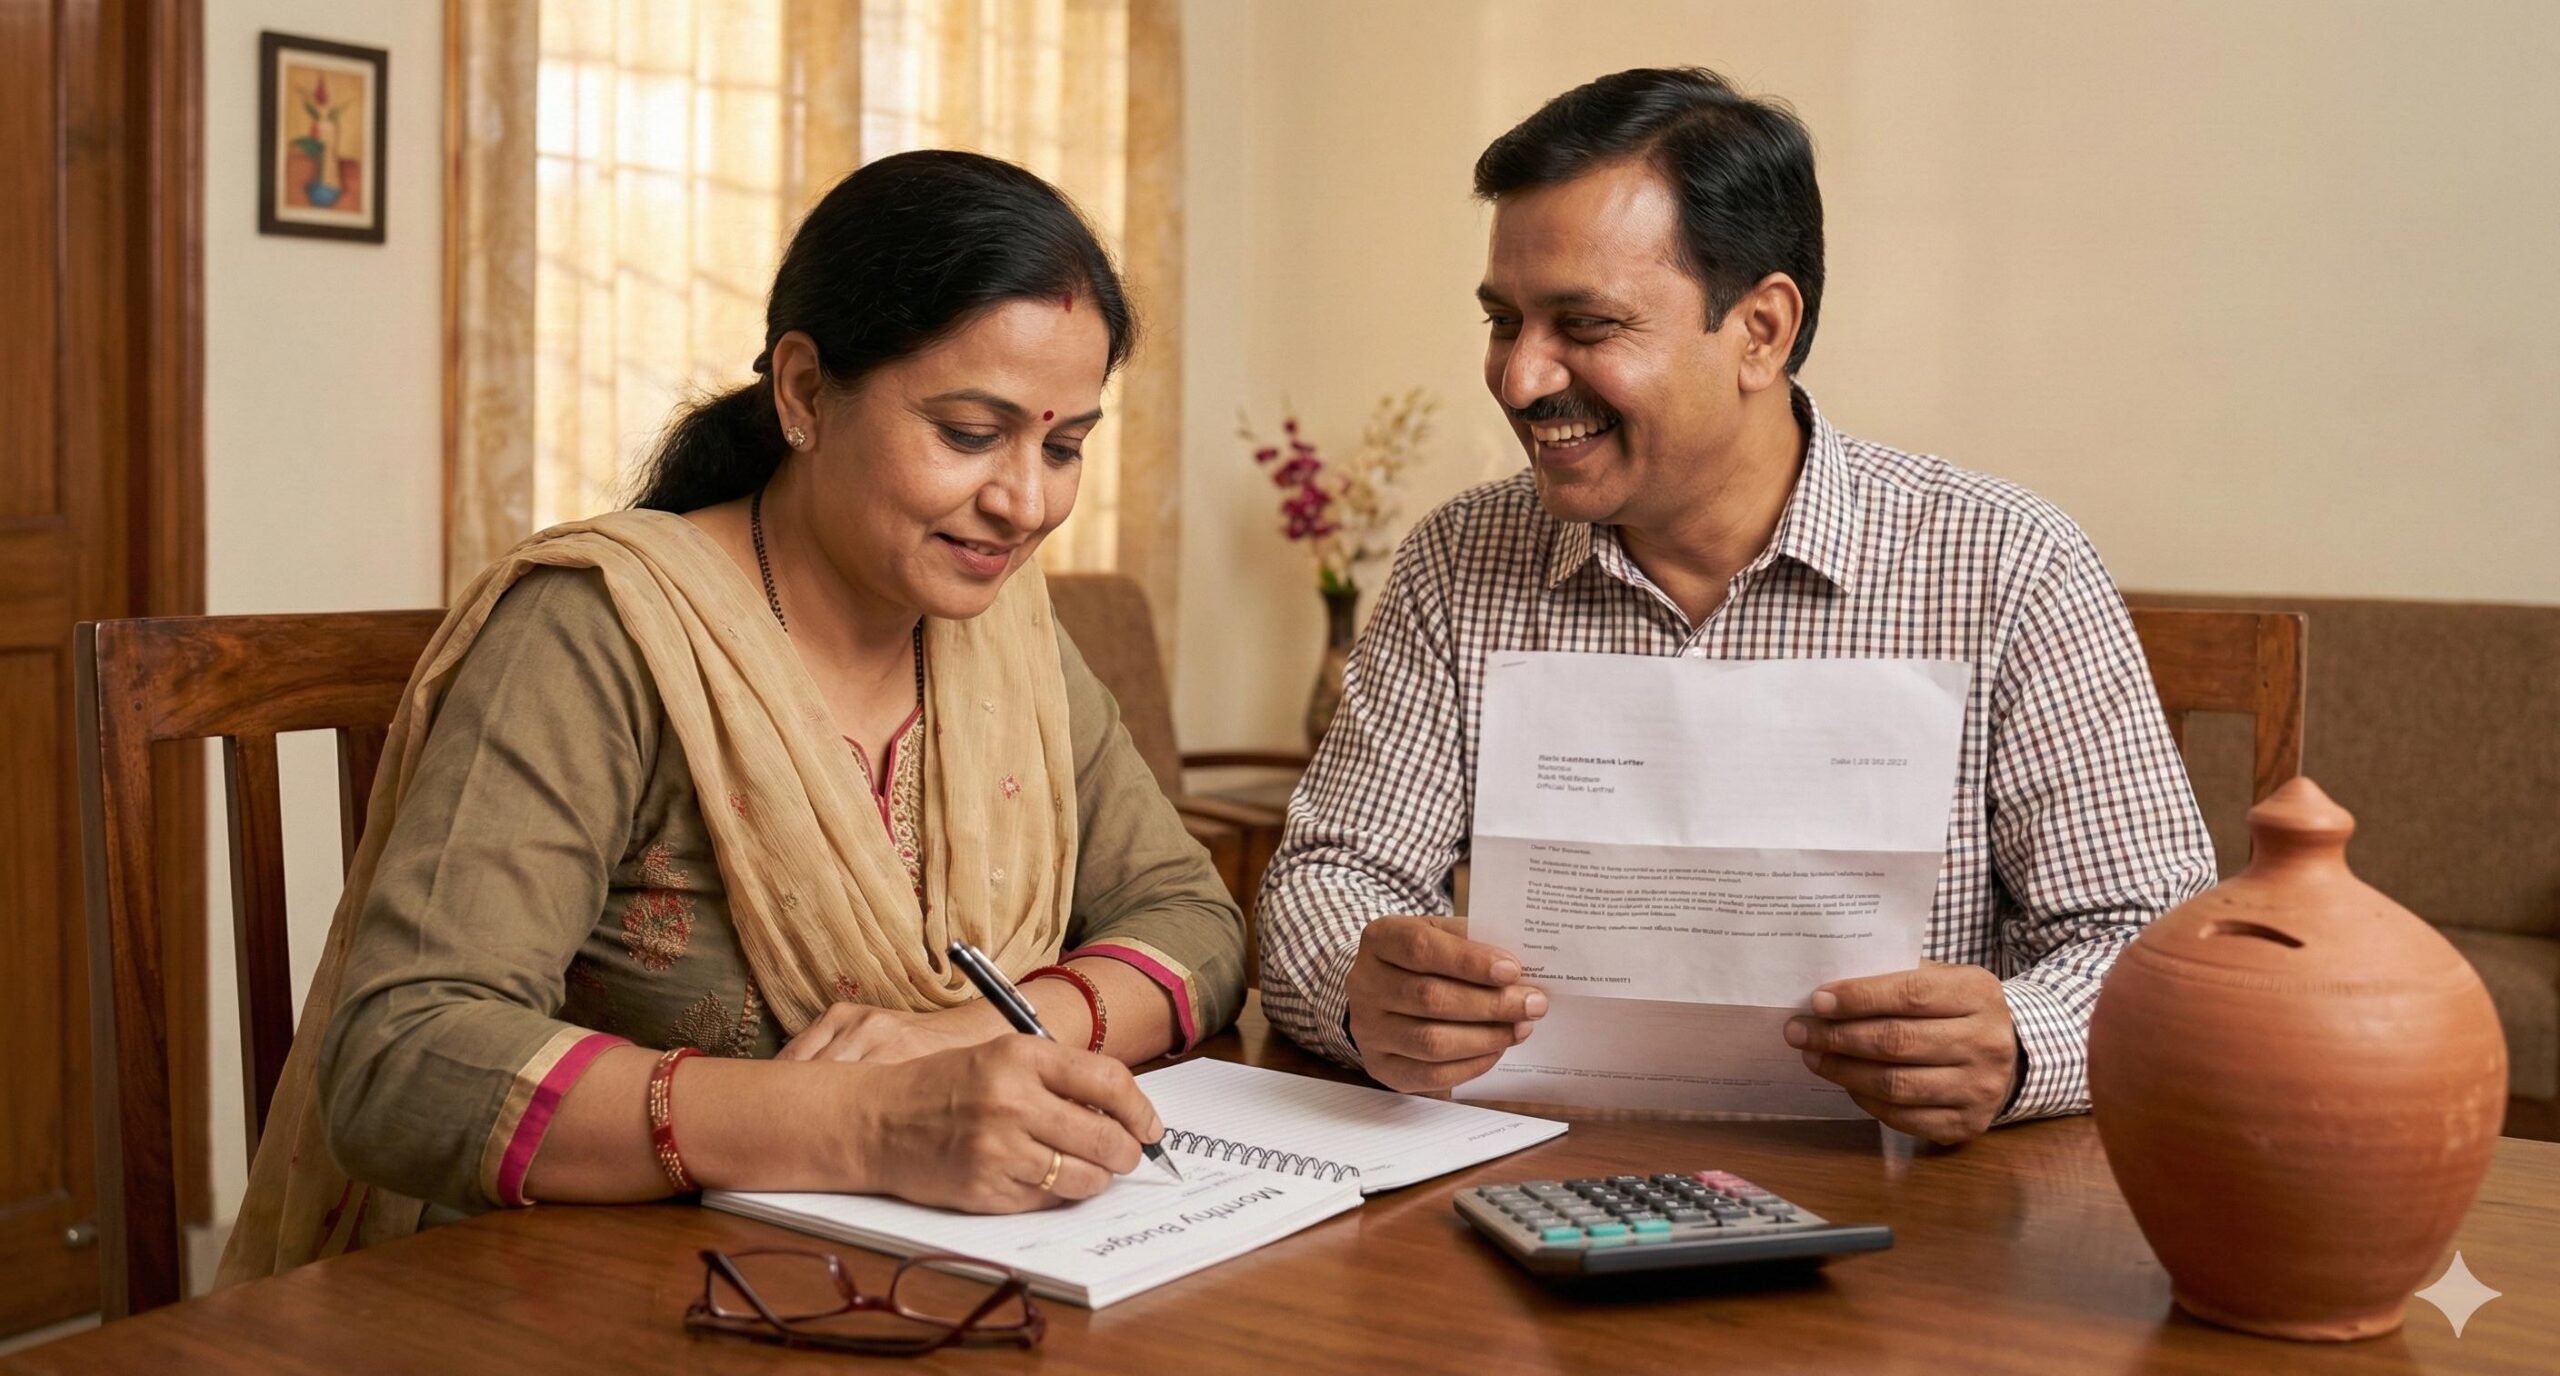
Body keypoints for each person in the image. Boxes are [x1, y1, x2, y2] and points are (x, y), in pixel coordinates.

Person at [221, 150, 1246, 1284]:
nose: (1024, 502)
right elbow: (406, 1059)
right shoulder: (600, 631)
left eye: (1062, 448)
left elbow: (1192, 920)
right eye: (969, 433)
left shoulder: (1004, 629)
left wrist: (971, 1035)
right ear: (804, 393)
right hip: (591, 1298)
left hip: (924, 1284)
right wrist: (868, 1120)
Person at [1257, 68, 2216, 1145]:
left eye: (1583, 324)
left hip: (1916, 1227)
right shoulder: (1458, 561)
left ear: (1759, 329)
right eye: (1502, 320)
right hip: (1525, 1189)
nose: (1522, 378)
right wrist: (1365, 989)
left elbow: (2152, 941)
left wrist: (2020, 1042)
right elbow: (1329, 876)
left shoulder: (2006, 564)